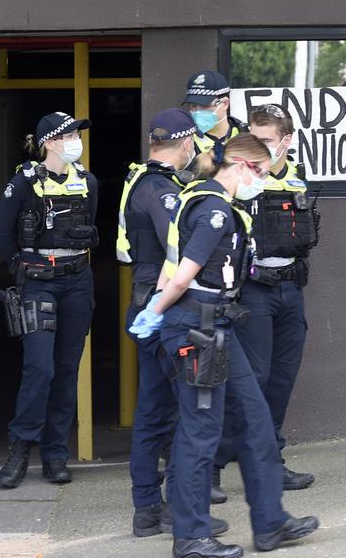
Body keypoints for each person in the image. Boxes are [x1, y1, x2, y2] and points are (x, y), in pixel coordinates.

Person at [129, 134, 318, 558]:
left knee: (255, 421)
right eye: (263, 173)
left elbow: (171, 264)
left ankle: (271, 522)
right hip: (196, 329)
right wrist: (157, 311)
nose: (264, 182)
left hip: (217, 329)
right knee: (200, 432)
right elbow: (182, 274)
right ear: (243, 166)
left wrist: (160, 303)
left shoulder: (202, 199)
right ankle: (191, 536)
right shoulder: (213, 208)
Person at [116, 110, 229, 538]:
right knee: (184, 412)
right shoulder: (159, 189)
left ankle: (150, 508)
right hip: (162, 308)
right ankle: (174, 509)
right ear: (185, 145)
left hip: (149, 304)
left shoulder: (140, 181)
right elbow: (179, 252)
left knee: (157, 410)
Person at [212, 105, 318, 500]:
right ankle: (214, 466)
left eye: (267, 142)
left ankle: (270, 461)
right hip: (253, 290)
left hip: (290, 289)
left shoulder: (296, 179)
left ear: (287, 141)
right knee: (247, 381)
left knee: (281, 379)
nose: (257, 150)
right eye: (253, 140)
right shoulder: (240, 181)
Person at [0, 112, 98, 489]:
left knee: (67, 370)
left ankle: (55, 454)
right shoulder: (23, 182)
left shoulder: (87, 182)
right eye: (69, 135)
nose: (76, 140)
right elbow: (3, 236)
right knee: (41, 368)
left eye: (77, 135)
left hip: (77, 281)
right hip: (38, 284)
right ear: (50, 142)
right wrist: (23, 270)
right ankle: (21, 448)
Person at [183, 71, 247, 166]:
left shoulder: (245, 135)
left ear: (225, 104)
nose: (197, 111)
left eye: (205, 105)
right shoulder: (185, 141)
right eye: (192, 105)